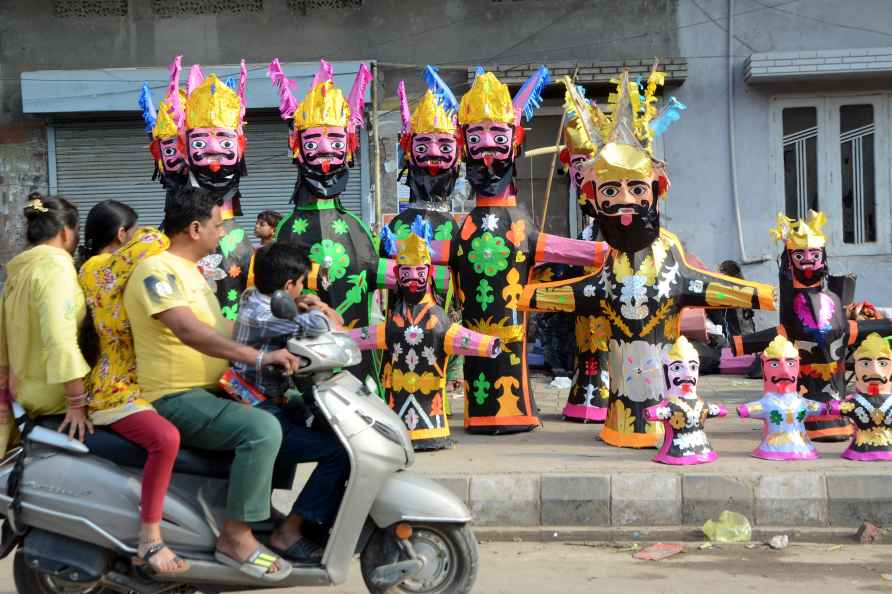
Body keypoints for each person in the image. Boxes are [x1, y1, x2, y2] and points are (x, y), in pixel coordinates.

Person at [123, 185, 301, 582]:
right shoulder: (157, 271)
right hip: (174, 396)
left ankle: (256, 508)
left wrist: (295, 321)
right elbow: (190, 332)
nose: (223, 234)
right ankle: (235, 537)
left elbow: (228, 328)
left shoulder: (192, 273)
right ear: (194, 228)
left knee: (288, 413)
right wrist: (259, 357)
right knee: (261, 429)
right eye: (218, 226)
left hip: (212, 388)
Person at [78, 200, 187, 574]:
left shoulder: (119, 268)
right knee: (166, 439)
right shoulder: (97, 269)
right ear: (122, 234)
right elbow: (155, 240)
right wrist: (160, 232)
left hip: (144, 379)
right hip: (116, 387)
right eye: (132, 231)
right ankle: (150, 538)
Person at [231, 242, 348, 562]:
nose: (303, 290)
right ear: (288, 286)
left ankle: (269, 511)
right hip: (257, 408)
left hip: (273, 399)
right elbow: (326, 325)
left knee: (315, 418)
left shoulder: (265, 302)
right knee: (337, 451)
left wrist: (309, 306)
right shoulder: (261, 312)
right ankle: (288, 532)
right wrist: (317, 308)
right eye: (301, 284)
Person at [0, 194, 91, 457]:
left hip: (25, 395)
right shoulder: (55, 267)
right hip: (56, 401)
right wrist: (76, 403)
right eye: (77, 232)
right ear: (65, 232)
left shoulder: (21, 271)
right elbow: (60, 339)